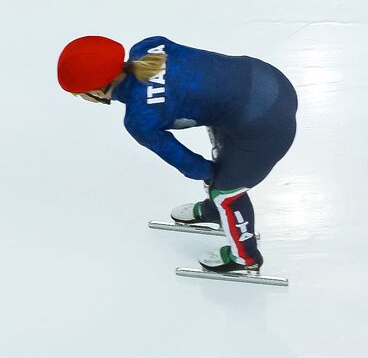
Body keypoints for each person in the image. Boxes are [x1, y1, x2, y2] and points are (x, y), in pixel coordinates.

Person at [57, 35, 298, 275]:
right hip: (267, 78)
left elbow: (193, 167)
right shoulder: (150, 46)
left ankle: (245, 257)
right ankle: (215, 211)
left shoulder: (140, 119)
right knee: (220, 148)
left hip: (266, 124)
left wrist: (213, 176)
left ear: (96, 93)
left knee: (225, 192)